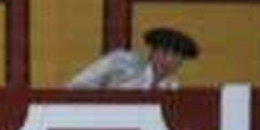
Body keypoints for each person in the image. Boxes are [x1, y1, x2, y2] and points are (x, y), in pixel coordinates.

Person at [68, 27, 199, 89]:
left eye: (176, 56)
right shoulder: (121, 62)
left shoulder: (172, 87)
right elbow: (76, 86)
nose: (168, 61)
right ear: (152, 52)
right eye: (164, 52)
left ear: (181, 62)